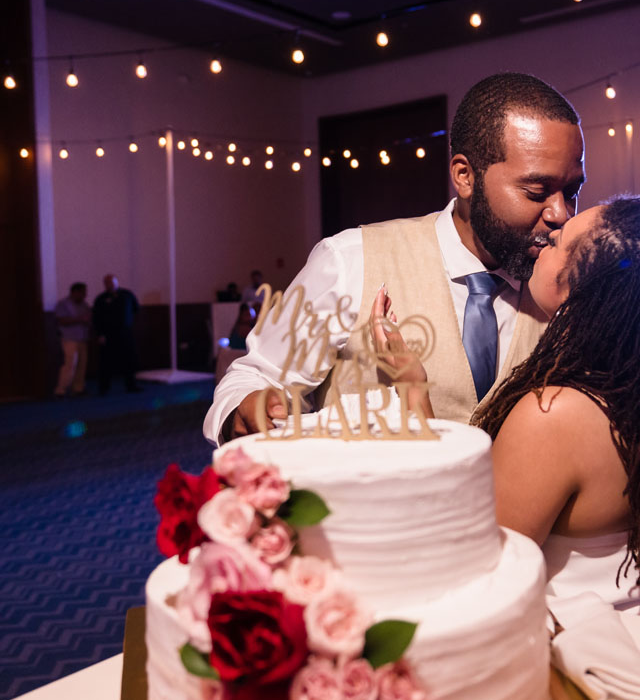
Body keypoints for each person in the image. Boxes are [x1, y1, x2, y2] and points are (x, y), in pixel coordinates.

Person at [374, 196, 640, 639]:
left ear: (583, 282)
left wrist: (409, 388)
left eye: (558, 242)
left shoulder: (555, 415)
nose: (546, 238)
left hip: (602, 656)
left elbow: (473, 565)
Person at [204, 72, 586, 444]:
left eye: (570, 191)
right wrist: (244, 406)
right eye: (537, 191)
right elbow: (254, 377)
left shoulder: (567, 291)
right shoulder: (350, 261)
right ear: (465, 176)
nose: (561, 214)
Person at [93, 273, 141, 394]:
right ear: (104, 284)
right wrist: (100, 334)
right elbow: (96, 318)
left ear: (117, 282)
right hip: (108, 334)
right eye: (107, 283)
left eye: (112, 282)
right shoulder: (101, 299)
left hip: (125, 333)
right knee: (106, 361)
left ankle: (131, 385)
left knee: (129, 359)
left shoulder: (127, 295)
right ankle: (104, 388)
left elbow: (136, 309)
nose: (110, 285)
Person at [53, 282, 91, 397]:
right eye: (83, 292)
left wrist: (87, 320)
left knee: (82, 364)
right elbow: (61, 321)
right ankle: (61, 389)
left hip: (82, 338)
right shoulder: (63, 304)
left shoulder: (84, 305)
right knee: (70, 364)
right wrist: (79, 319)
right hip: (69, 339)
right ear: (75, 292)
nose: (85, 295)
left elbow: (88, 319)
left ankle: (78, 388)